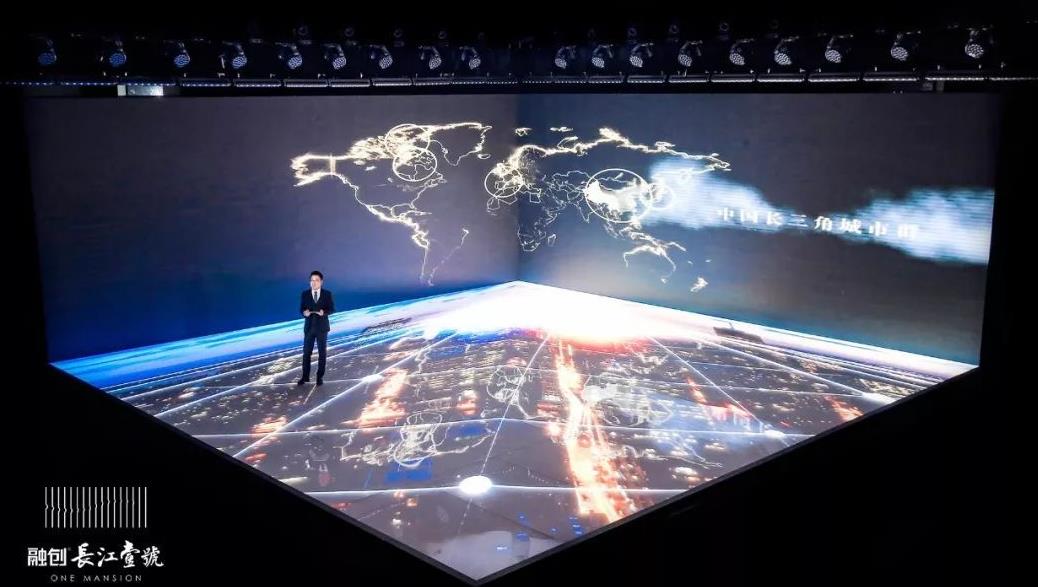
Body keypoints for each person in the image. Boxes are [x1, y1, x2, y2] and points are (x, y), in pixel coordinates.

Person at [298, 270, 335, 386]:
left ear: (321, 282)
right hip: (309, 328)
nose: (314, 282)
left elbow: (332, 309)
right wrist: (304, 313)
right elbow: (301, 309)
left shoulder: (327, 294)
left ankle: (319, 377)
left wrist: (324, 312)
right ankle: (305, 377)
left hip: (322, 328)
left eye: (316, 280)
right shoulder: (305, 294)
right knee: (306, 353)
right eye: (312, 280)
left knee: (322, 353)